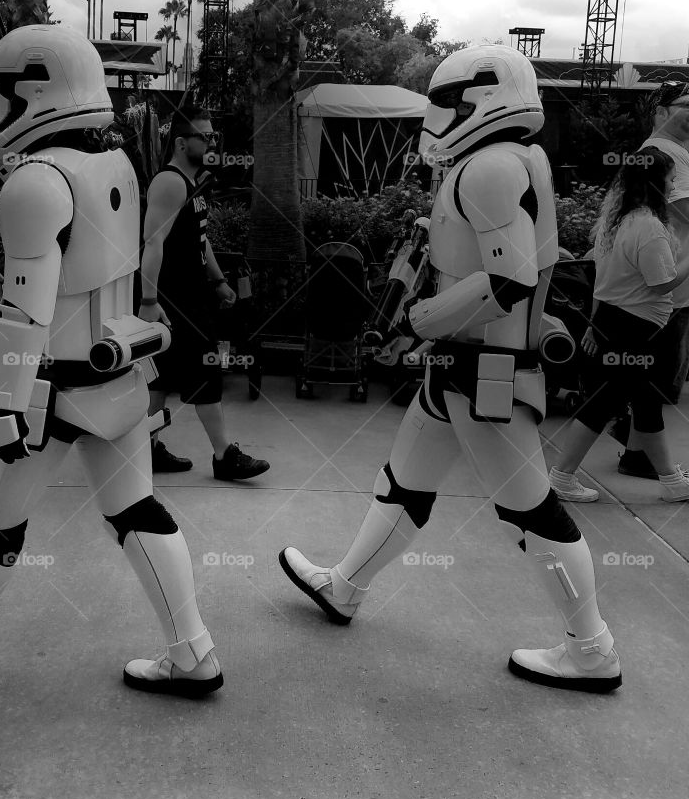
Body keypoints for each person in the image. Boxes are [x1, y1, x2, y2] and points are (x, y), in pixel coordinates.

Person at [0, 26, 223, 697]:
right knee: (138, 512)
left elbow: (23, 311)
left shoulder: (38, 182)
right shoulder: (113, 163)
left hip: (53, 388)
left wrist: (4, 405)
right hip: (115, 376)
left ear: (31, 92)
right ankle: (193, 652)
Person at [280, 44, 622, 692]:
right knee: (404, 484)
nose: (436, 114)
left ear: (479, 100)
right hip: (467, 367)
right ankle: (345, 588)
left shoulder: (488, 167)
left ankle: (591, 649)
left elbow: (512, 276)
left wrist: (423, 319)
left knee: (531, 513)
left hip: (482, 369)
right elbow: (512, 252)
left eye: (445, 100)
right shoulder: (517, 158)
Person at [547, 148, 689, 502]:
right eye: (671, 178)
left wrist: (595, 325)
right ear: (655, 182)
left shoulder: (616, 222)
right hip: (638, 329)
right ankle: (561, 477)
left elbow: (602, 281)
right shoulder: (650, 228)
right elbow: (660, 283)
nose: (674, 184)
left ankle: (671, 482)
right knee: (607, 405)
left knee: (640, 404)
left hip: (615, 321)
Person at [139, 106, 269, 480]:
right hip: (176, 300)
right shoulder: (170, 182)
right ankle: (224, 455)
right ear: (181, 143)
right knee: (206, 372)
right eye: (205, 137)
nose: (212, 142)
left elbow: (200, 237)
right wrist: (150, 301)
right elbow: (152, 242)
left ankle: (146, 450)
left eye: (214, 136)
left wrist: (218, 280)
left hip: (191, 294)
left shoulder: (194, 182)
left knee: (160, 378)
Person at [613, 80, 689, 477]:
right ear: (661, 111)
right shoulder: (658, 153)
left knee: (651, 384)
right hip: (663, 288)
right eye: (685, 103)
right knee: (651, 384)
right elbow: (680, 210)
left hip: (671, 285)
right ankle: (646, 460)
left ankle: (638, 454)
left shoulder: (678, 152)